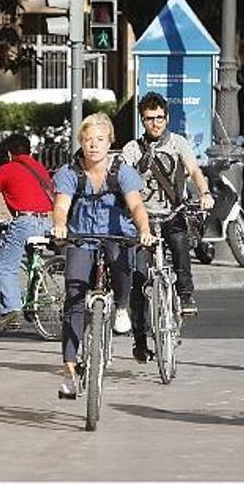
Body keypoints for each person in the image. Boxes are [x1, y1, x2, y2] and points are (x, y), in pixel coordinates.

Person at [51, 113, 153, 398]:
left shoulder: (122, 171)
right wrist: (59, 224)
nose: (93, 145)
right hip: (82, 237)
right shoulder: (69, 172)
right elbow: (61, 205)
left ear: (110, 142)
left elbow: (135, 206)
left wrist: (143, 229)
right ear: (80, 143)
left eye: (99, 140)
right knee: (73, 297)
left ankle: (121, 306)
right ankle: (69, 371)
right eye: (87, 140)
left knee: (123, 264)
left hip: (116, 234)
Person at [120, 92, 215, 361]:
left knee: (181, 249)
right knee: (138, 279)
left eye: (159, 117)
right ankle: (140, 341)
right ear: (142, 120)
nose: (155, 123)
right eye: (149, 119)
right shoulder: (132, 149)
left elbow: (194, 171)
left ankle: (185, 298)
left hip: (172, 213)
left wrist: (204, 193)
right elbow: (121, 177)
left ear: (167, 117)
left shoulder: (178, 143)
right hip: (142, 221)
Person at [0, 133, 54, 330]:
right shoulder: (40, 168)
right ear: (29, 151)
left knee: (6, 267)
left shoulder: (7, 169)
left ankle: (12, 309)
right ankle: (38, 293)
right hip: (46, 221)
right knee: (31, 257)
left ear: (9, 154)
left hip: (24, 221)